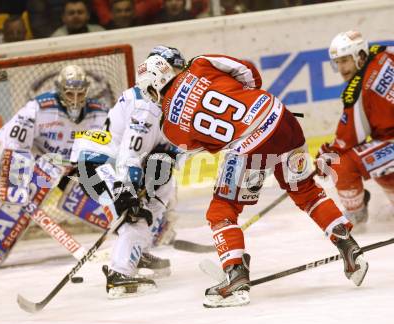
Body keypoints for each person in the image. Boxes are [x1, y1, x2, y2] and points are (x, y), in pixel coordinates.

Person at [136, 54, 369, 308]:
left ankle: (236, 275)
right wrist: (246, 102)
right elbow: (249, 72)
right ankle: (350, 249)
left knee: (221, 211)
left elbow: (210, 147)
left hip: (250, 148)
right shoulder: (200, 63)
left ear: (153, 87)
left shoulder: (170, 128)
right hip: (281, 118)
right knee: (307, 191)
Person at [0, 65, 109, 266]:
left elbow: (113, 146)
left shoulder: (100, 113)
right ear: (60, 90)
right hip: (43, 162)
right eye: (69, 93)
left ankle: (137, 229)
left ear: (86, 90)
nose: (75, 99)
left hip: (76, 166)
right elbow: (9, 139)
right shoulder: (39, 109)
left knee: (98, 195)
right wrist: (10, 173)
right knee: (23, 193)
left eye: (80, 92)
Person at [71, 46, 186, 298]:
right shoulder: (147, 106)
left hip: (112, 161)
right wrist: (125, 189)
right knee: (134, 212)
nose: (180, 81)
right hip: (98, 164)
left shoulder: (162, 101)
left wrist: (171, 154)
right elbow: (129, 155)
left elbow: (168, 146)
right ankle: (119, 273)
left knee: (163, 187)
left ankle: (136, 252)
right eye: (175, 73)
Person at [316, 31, 394, 225]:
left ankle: (356, 214)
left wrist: (326, 154)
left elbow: (346, 140)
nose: (341, 68)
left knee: (340, 162)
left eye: (345, 61)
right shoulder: (383, 52)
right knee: (376, 157)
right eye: (337, 62)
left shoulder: (357, 91)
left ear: (359, 56)